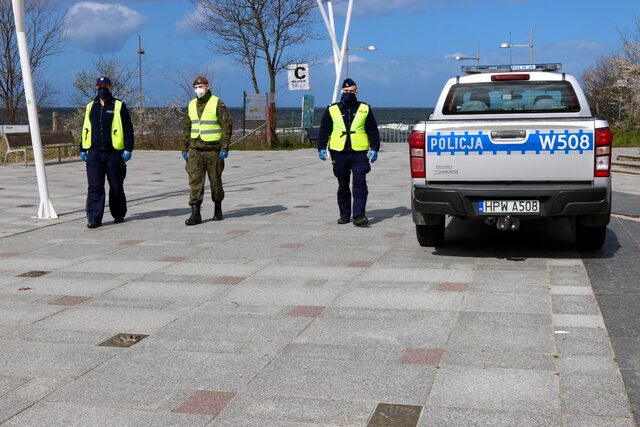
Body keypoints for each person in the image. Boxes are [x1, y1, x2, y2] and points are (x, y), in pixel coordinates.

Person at [317, 78, 380, 227]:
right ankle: (344, 215)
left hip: (359, 153)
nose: (348, 93)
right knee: (343, 185)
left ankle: (359, 215)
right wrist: (321, 148)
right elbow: (324, 130)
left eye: (351, 91)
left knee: (359, 183)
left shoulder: (365, 108)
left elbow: (372, 130)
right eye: (346, 91)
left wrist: (375, 148)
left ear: (356, 92)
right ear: (341, 92)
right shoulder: (332, 109)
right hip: (339, 153)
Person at [80, 76, 134, 229]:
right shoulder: (91, 106)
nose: (101, 89)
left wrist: (128, 148)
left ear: (110, 87)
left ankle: (118, 214)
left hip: (114, 154)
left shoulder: (118, 106)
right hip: (95, 153)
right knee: (94, 187)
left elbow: (128, 128)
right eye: (99, 86)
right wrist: (82, 148)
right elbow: (85, 128)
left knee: (116, 186)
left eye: (105, 86)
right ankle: (94, 218)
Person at [182, 75, 233, 225]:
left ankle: (218, 209)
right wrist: (184, 147)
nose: (198, 90)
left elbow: (226, 125)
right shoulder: (191, 104)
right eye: (196, 88)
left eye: (201, 87)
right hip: (195, 149)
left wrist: (225, 146)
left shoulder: (217, 103)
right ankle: (195, 214)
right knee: (195, 181)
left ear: (208, 86)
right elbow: (187, 127)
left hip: (213, 150)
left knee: (215, 181)